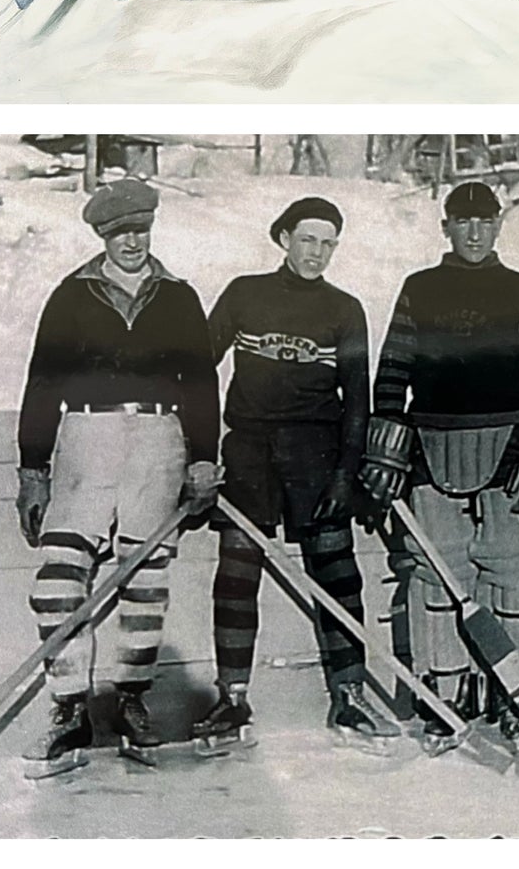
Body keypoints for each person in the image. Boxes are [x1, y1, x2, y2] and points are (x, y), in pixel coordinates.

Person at [15, 179, 222, 775]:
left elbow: (201, 385)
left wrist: (202, 456)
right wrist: (32, 468)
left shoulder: (178, 297)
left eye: (140, 229)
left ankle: (132, 700)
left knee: (145, 577)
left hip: (159, 441)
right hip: (85, 438)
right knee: (57, 578)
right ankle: (69, 708)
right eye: (119, 233)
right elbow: (42, 384)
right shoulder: (71, 295)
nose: (132, 242)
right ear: (102, 236)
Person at [359, 182, 519, 750]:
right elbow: (394, 366)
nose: (474, 232)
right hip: (433, 439)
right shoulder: (419, 288)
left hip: (507, 443)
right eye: (462, 222)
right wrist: (386, 443)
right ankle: (446, 689)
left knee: (512, 567)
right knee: (437, 571)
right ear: (445, 226)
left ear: (499, 226)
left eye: (485, 222)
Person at [194, 198, 398, 752]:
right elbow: (194, 373)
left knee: (337, 572)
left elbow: (358, 401)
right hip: (250, 452)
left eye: (329, 243)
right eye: (308, 240)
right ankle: (232, 698)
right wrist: (199, 452)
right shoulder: (244, 293)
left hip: (316, 453)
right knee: (236, 574)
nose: (318, 253)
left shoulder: (345, 309)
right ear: (284, 238)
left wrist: (345, 474)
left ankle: (349, 697)